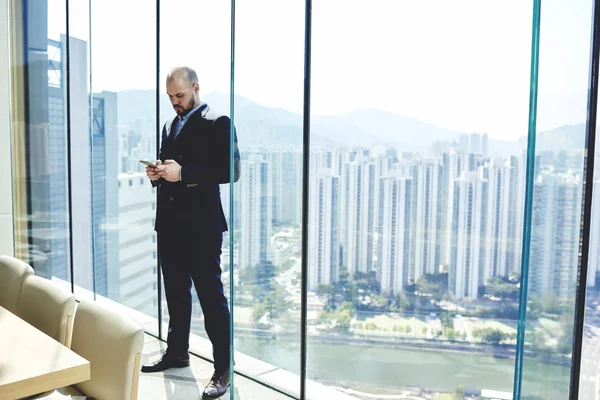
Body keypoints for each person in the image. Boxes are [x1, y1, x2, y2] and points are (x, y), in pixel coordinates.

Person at [142, 66, 240, 399]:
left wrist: (183, 174)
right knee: (176, 295)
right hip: (169, 225)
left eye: (180, 96)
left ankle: (223, 369)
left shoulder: (218, 121)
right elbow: (168, 166)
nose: (175, 103)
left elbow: (230, 170)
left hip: (202, 228)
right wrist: (157, 173)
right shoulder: (170, 125)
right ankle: (177, 353)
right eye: (170, 97)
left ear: (196, 88)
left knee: (212, 300)